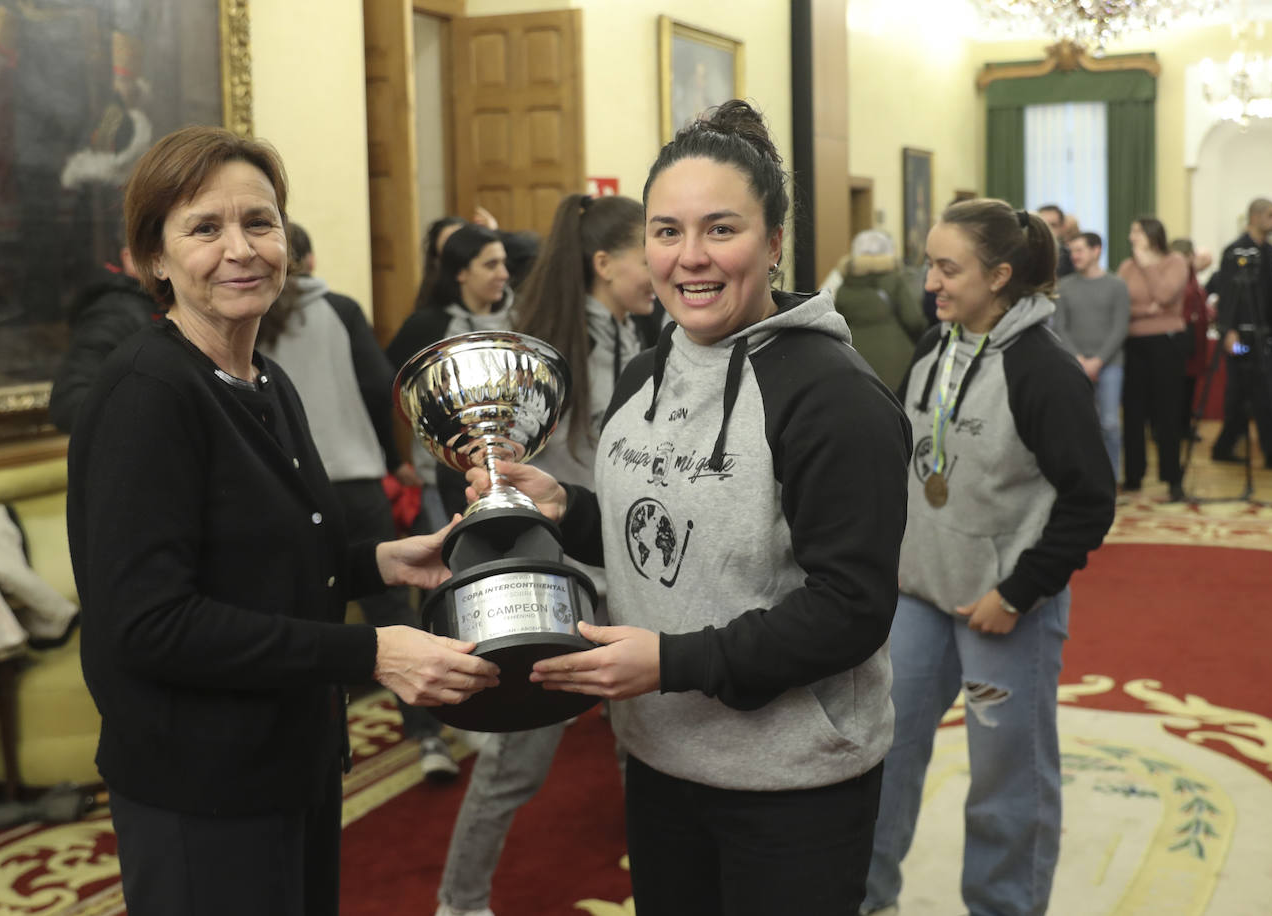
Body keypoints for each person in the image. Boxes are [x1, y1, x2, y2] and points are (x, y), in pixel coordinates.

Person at [466, 100, 912, 915]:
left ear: (775, 242)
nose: (689, 258)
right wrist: (565, 506)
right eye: (667, 232)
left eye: (721, 229)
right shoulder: (647, 375)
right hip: (660, 759)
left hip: (792, 783)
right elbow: (667, 542)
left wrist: (672, 662)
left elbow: (853, 609)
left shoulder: (834, 398)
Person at [65, 125, 499, 916]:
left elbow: (275, 556)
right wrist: (369, 649)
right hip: (199, 787)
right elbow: (150, 623)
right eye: (205, 228)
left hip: (286, 758)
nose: (241, 249)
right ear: (154, 260)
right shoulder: (147, 396)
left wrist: (384, 562)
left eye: (259, 223)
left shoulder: (262, 378)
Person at [861, 200, 1116, 916]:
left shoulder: (1045, 369)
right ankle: (864, 898)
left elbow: (1091, 501)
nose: (930, 282)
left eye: (948, 268)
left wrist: (1018, 592)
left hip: (1004, 607)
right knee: (882, 757)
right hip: (918, 594)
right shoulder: (936, 345)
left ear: (1000, 276)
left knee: (1008, 785)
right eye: (929, 265)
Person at [434, 193, 653, 916]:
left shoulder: (648, 337)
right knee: (510, 767)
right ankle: (459, 904)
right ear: (603, 262)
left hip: (636, 575)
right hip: (561, 584)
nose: (662, 265)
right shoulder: (546, 356)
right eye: (647, 249)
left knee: (646, 753)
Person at [257, 222, 458, 781]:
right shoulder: (338, 309)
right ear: (311, 257)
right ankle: (428, 740)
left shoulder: (248, 319)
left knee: (292, 613)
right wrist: (392, 456)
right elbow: (380, 386)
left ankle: (309, 748)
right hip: (355, 479)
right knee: (391, 613)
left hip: (285, 487)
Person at [387, 223, 514, 530]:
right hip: (443, 480)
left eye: (504, 263)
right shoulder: (427, 327)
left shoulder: (517, 321)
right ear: (460, 273)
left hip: (510, 475)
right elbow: (383, 389)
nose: (504, 274)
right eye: (490, 264)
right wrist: (392, 459)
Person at [1207, 198, 1272, 469]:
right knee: (1241, 391)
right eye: (1271, 215)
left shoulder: (1268, 252)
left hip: (1265, 338)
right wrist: (1228, 331)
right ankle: (1245, 449)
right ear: (1255, 217)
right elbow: (1229, 294)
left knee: (1263, 392)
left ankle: (1266, 451)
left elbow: (1269, 293)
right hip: (1241, 341)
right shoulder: (1235, 252)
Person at [49, 245, 162, 433]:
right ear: (129, 257)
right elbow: (69, 401)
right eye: (156, 253)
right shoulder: (116, 313)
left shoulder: (161, 307)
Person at [1118, 216, 1190, 499]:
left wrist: (1148, 265)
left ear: (1151, 235)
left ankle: (1172, 478)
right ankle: (1134, 476)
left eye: (1136, 231)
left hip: (1167, 344)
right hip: (1134, 343)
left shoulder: (1175, 262)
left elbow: (1166, 293)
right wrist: (1148, 310)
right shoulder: (1126, 266)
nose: (1131, 236)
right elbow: (1121, 305)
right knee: (1133, 412)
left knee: (1167, 413)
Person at [1054, 231, 1130, 480]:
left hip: (1109, 365)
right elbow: (1060, 327)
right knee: (1077, 425)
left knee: (1109, 423)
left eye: (1079, 250)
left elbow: (1120, 327)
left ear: (1096, 250)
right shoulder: (1064, 286)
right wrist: (1077, 358)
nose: (1074, 256)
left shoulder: (1117, 285)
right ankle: (1083, 478)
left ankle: (1111, 477)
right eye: (1071, 251)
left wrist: (1098, 361)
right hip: (1073, 364)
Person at [828, 228, 927, 393]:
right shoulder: (895, 280)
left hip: (855, 362)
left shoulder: (844, 286)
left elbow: (835, 324)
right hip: (897, 361)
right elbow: (913, 320)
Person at [1169, 238, 1212, 440]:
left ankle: (1184, 426)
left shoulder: (1191, 277)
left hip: (1194, 337)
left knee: (1189, 386)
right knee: (1178, 387)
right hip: (1180, 338)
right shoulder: (1174, 278)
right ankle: (1174, 428)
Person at [1036, 203, 1075, 278]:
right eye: (1043, 224)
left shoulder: (1072, 258)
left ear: (1063, 227)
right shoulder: (1025, 255)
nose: (1047, 229)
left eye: (1053, 225)